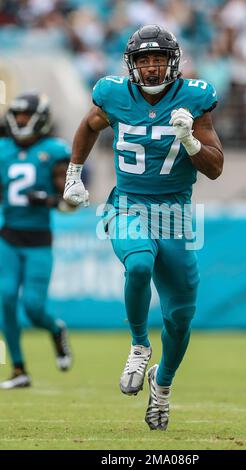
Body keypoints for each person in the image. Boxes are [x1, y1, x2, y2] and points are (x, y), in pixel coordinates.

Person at [63, 24, 223, 430]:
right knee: (137, 265)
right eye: (143, 60)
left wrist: (190, 141)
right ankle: (138, 345)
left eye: (158, 59)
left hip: (174, 215)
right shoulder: (113, 93)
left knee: (180, 317)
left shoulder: (195, 98)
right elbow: (89, 124)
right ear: (131, 64)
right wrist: (74, 173)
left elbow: (216, 168)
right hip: (128, 204)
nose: (151, 68)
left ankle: (163, 386)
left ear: (173, 62)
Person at [0, 92, 73, 389]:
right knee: (4, 298)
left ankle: (55, 329)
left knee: (32, 307)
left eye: (25, 116)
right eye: (17, 116)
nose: (20, 121)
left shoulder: (54, 151)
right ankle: (19, 369)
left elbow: (72, 201)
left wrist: (46, 199)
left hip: (39, 239)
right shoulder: (3, 149)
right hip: (7, 236)